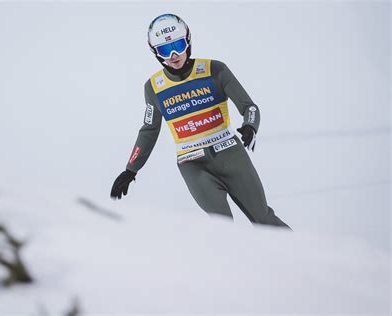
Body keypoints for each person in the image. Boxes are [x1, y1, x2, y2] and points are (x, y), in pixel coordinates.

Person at [110, 13, 291, 229]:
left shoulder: (215, 70)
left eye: (178, 45)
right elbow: (149, 130)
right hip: (193, 164)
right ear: (156, 53)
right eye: (165, 50)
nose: (174, 55)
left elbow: (249, 107)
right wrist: (131, 169)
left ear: (188, 41)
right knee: (223, 228)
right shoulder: (154, 87)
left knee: (263, 220)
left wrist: (251, 126)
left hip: (231, 155)